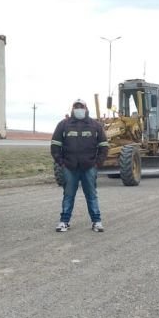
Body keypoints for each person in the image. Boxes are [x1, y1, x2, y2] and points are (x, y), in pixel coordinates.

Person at [50, 99, 109, 232]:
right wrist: (61, 163)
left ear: (86, 108)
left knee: (91, 195)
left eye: (81, 107)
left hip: (89, 167)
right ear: (72, 109)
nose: (78, 109)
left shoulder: (95, 125)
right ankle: (64, 222)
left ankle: (97, 222)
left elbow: (104, 146)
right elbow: (55, 146)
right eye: (76, 107)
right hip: (69, 167)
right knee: (68, 195)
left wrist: (97, 163)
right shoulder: (63, 125)